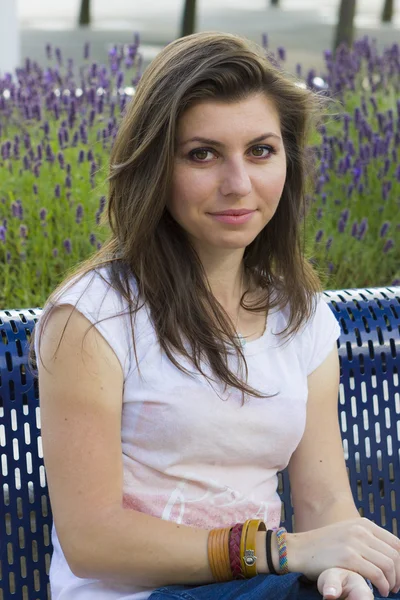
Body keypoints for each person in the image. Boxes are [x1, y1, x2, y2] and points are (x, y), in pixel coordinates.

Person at [31, 31, 400, 600]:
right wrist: (281, 551)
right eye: (202, 154)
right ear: (157, 167)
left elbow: (326, 502)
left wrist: (345, 567)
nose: (238, 184)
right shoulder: (93, 318)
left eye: (261, 151)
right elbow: (92, 538)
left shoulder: (300, 316)